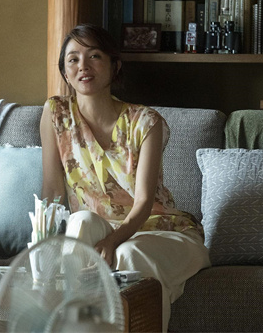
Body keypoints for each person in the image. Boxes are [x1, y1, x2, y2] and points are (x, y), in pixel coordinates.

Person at [40, 23, 210, 332]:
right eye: (73, 59)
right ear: (65, 72)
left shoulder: (145, 122)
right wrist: (43, 248)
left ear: (114, 65)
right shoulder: (56, 114)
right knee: (80, 221)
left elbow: (144, 202)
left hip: (160, 230)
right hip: (99, 229)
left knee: (128, 254)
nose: (83, 66)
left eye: (94, 56)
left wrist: (113, 241)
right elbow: (52, 192)